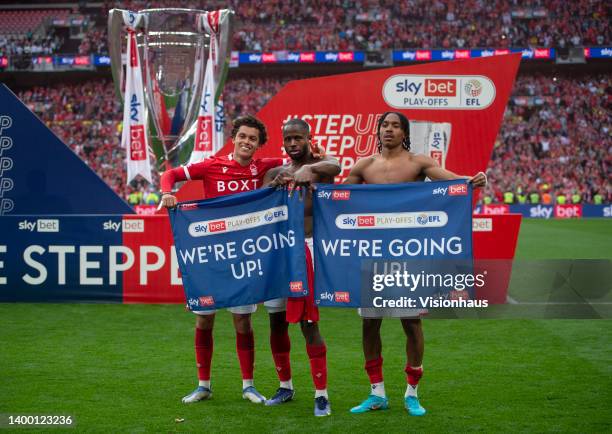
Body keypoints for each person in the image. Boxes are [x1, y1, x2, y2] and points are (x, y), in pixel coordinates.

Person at [343, 112, 487, 416]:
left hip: (409, 256)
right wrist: (318, 191)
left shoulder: (418, 162)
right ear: (378, 131)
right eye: (385, 125)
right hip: (373, 255)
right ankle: (376, 392)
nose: (390, 130)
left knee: (411, 322)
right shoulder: (363, 166)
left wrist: (471, 180)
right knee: (370, 323)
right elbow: (337, 199)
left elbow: (450, 181)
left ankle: (412, 392)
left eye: (396, 126)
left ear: (404, 132)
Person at [160, 115, 283, 405]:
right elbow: (170, 175)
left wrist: (311, 157)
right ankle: (203, 386)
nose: (246, 142)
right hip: (211, 256)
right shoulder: (213, 165)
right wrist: (167, 193)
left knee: (243, 321)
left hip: (243, 256)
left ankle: (249, 386)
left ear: (258, 144)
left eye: (252, 139)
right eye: (242, 136)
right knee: (204, 319)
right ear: (234, 138)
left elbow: (294, 161)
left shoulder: (261, 166)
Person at [261, 118, 341, 416]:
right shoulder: (274, 173)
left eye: (297, 138)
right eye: (288, 139)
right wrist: (272, 186)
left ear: (308, 138)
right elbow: (260, 208)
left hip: (306, 250)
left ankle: (321, 394)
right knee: (275, 322)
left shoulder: (322, 168)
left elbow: (335, 166)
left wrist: (311, 168)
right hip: (277, 252)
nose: (292, 143)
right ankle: (285, 386)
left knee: (309, 323)